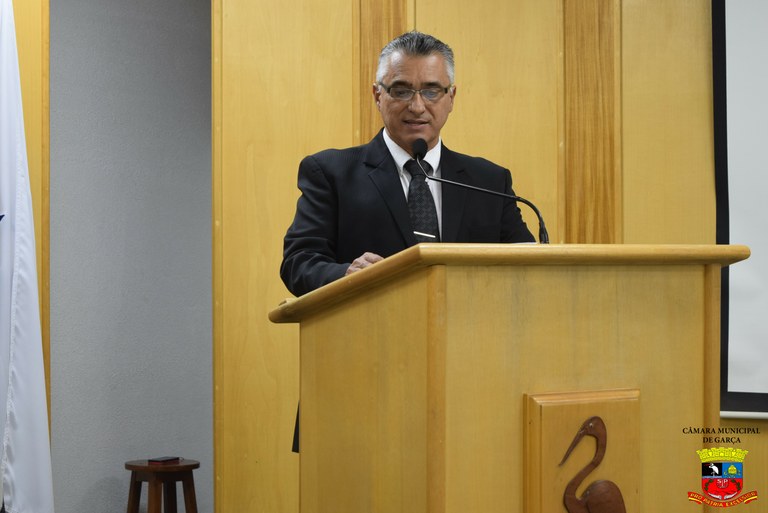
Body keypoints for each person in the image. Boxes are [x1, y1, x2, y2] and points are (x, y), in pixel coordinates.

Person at [281, 31, 535, 297]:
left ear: (451, 97)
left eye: (431, 91)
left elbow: (528, 267)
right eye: (401, 91)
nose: (417, 106)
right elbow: (298, 263)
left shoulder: (490, 182)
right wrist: (346, 275)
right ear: (378, 95)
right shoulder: (331, 173)